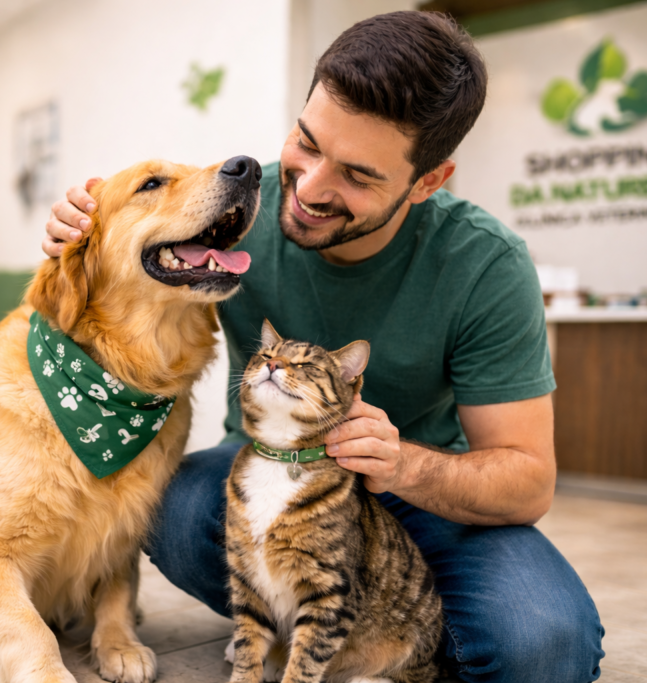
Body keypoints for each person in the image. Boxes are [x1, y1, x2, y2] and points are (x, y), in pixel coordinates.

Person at [43, 11, 604, 682]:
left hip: (424, 498)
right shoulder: (236, 207)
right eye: (306, 142)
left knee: (545, 648)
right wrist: (82, 238)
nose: (308, 189)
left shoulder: (486, 264)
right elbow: (114, 295)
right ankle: (316, 623)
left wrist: (402, 464)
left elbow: (528, 480)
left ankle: (367, 626)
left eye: (358, 176)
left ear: (429, 181)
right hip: (270, 471)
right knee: (172, 507)